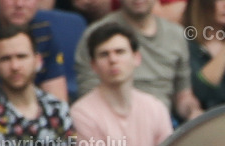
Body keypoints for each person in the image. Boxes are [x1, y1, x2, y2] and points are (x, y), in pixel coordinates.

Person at [70, 24, 173, 146]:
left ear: (136, 58)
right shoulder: (81, 113)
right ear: (93, 66)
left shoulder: (156, 108)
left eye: (120, 52)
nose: (113, 60)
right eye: (104, 54)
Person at [75, 0, 204, 122]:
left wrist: (192, 111)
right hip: (113, 122)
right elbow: (89, 93)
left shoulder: (176, 34)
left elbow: (183, 95)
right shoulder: (97, 34)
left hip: (164, 123)